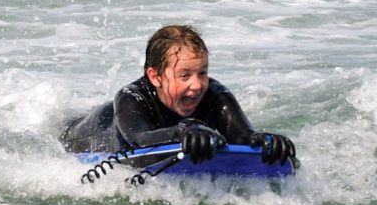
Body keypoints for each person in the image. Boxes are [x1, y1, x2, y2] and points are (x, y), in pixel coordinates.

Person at [60, 24, 297, 165]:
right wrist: (183, 130)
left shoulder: (215, 95)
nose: (197, 85)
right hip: (82, 133)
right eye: (185, 75)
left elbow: (244, 136)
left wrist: (267, 142)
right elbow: (140, 139)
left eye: (202, 73)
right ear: (155, 77)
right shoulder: (131, 98)